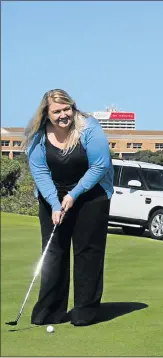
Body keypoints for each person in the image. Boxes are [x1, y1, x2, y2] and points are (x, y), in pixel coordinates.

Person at [24, 89, 114, 327]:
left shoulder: (89, 128)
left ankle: (85, 310)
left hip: (92, 193)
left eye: (67, 109)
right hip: (52, 194)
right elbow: (41, 173)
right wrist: (55, 203)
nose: (64, 115)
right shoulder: (37, 135)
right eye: (57, 111)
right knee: (54, 251)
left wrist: (73, 195)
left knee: (88, 251)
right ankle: (50, 310)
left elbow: (100, 165)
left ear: (73, 108)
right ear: (47, 113)